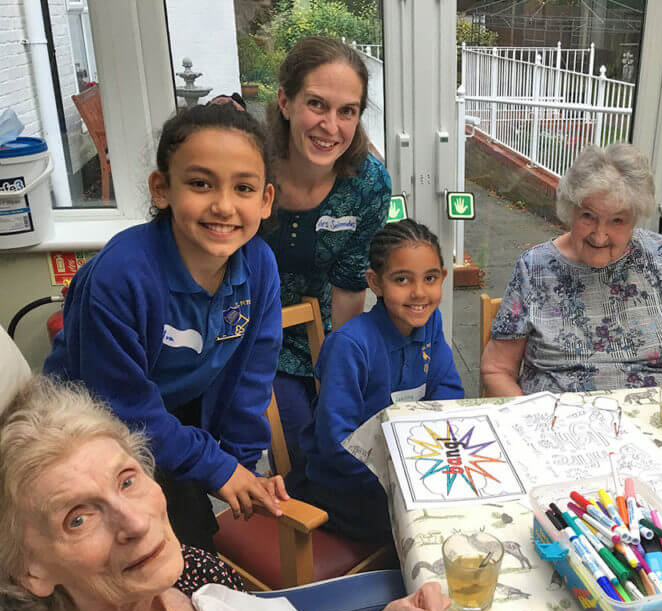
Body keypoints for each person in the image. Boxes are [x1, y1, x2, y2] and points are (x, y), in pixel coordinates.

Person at [0, 376, 449, 611]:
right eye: (78, 518)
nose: (135, 522)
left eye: (127, 480)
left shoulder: (196, 574)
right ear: (30, 571)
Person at [44, 102, 287, 554]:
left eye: (244, 187)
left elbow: (251, 377)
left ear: (265, 200)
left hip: (168, 422)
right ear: (162, 189)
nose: (223, 205)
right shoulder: (121, 276)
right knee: (141, 553)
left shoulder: (260, 267)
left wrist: (238, 464)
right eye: (199, 183)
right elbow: (120, 406)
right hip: (86, 432)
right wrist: (213, 466)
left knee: (193, 547)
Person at [480, 144, 662, 395]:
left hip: (654, 421)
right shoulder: (534, 268)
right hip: (558, 422)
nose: (600, 235)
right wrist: (528, 419)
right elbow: (497, 369)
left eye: (617, 220)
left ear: (634, 219)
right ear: (571, 210)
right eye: (588, 216)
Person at [265, 37, 392, 474]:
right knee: (302, 452)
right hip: (247, 336)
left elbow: (350, 285)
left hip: (322, 332)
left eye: (347, 111)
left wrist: (342, 373)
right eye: (316, 104)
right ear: (285, 101)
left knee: (363, 438)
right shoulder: (249, 166)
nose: (331, 126)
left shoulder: (367, 184)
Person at [295, 220, 464, 543]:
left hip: (410, 470)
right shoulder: (350, 346)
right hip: (343, 484)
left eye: (430, 279)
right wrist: (406, 477)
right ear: (375, 282)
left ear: (442, 277)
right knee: (431, 532)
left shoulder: (430, 324)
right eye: (402, 279)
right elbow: (337, 445)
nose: (418, 293)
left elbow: (448, 394)